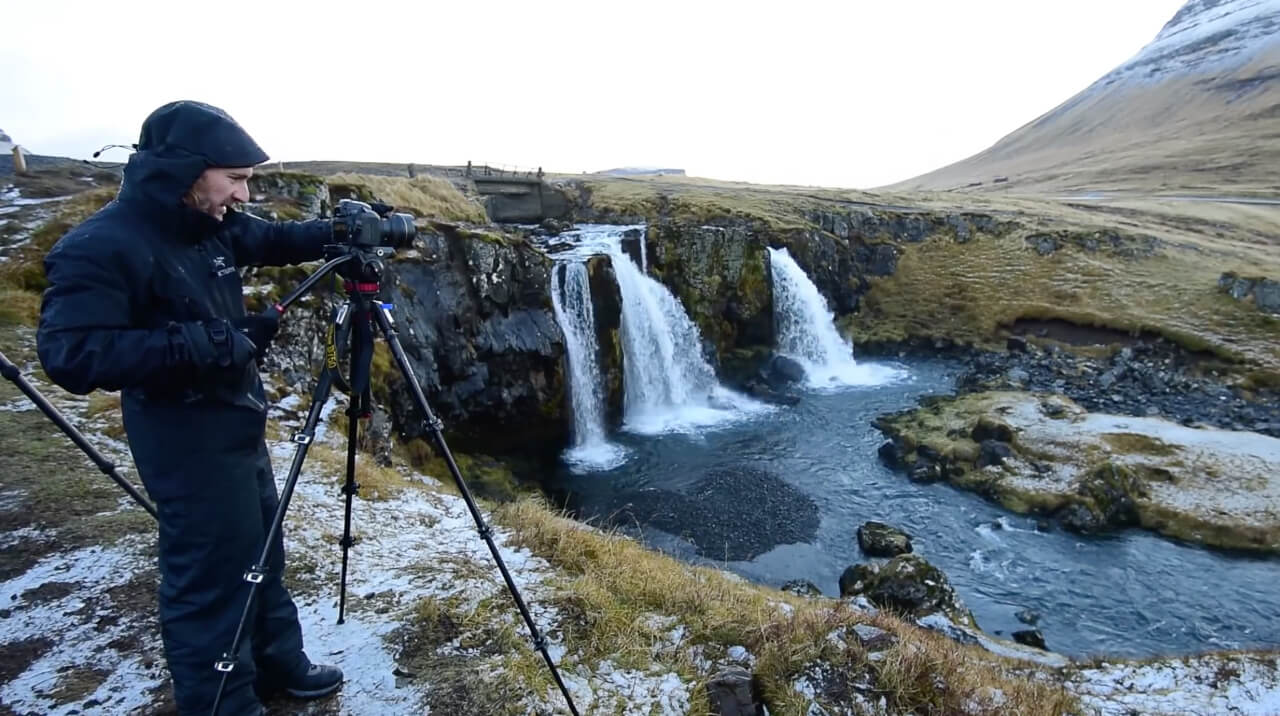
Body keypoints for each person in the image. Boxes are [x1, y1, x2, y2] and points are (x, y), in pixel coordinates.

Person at [37, 100, 342, 715]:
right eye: (234, 177)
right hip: (182, 436)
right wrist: (206, 342)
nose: (244, 192)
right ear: (185, 172)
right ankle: (222, 704)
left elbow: (275, 239)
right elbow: (70, 353)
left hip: (237, 419)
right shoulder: (101, 246)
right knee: (210, 578)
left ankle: (278, 664)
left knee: (261, 551)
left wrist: (341, 232)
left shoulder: (211, 223)